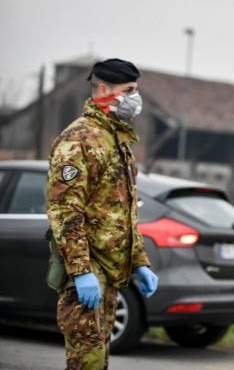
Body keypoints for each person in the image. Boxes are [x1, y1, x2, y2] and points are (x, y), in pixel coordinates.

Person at [47, 58, 159, 370]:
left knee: (98, 360)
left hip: (109, 274)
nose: (135, 99)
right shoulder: (79, 139)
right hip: (87, 272)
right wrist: (81, 271)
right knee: (87, 362)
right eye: (129, 91)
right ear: (103, 89)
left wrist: (139, 263)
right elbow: (65, 210)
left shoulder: (117, 141)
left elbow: (124, 213)